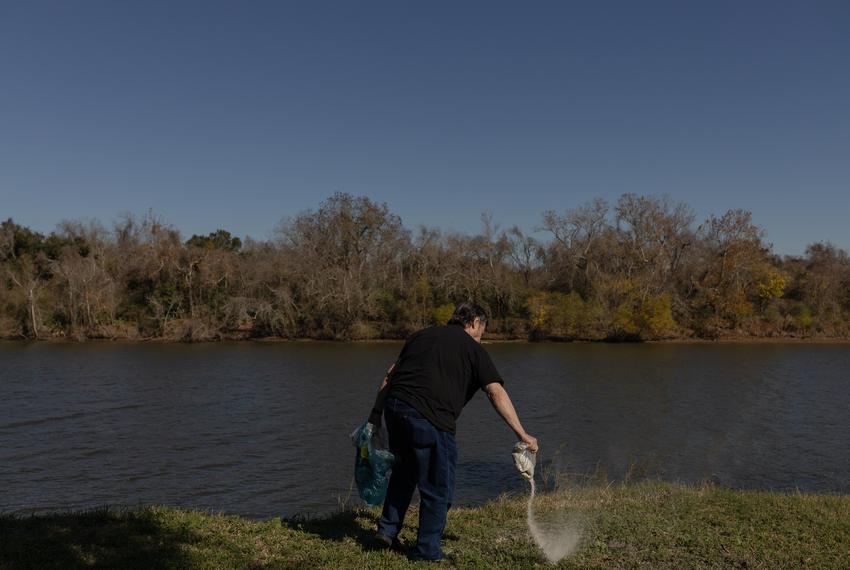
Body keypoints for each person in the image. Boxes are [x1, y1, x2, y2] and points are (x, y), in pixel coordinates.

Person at [366, 302, 539, 561]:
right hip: (430, 418)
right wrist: (521, 433)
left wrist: (375, 416)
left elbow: (390, 377)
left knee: (405, 472)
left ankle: (387, 531)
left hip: (396, 409)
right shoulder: (472, 347)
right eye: (483, 329)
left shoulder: (420, 336)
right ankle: (426, 551)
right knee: (438, 486)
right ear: (473, 323)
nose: (482, 336)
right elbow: (495, 392)